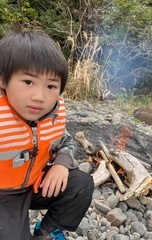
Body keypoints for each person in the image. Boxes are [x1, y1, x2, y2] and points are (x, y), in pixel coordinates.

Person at [0, 29, 94, 240]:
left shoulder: (51, 114)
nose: (39, 97)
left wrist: (61, 163)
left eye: (51, 86)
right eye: (28, 82)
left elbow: (66, 139)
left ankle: (47, 231)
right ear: (3, 80)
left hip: (35, 184)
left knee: (81, 185)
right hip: (4, 195)